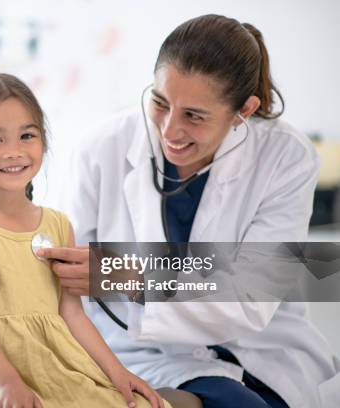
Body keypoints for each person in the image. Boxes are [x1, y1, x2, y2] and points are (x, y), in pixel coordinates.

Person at [36, 14, 340, 408]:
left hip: (257, 350)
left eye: (194, 116)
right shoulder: (101, 149)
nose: (169, 131)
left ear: (243, 110)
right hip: (138, 351)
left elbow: (250, 296)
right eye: (160, 102)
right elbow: (61, 282)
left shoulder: (286, 157)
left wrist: (123, 273)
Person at [0, 73, 181, 408]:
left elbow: (72, 315)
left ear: (43, 142)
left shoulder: (57, 223)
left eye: (26, 135)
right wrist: (9, 384)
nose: (13, 151)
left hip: (56, 365)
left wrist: (118, 373)